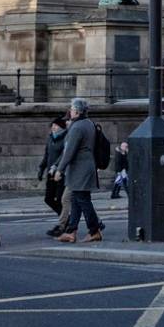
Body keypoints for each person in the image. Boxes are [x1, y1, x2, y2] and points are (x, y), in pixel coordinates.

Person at [56, 99, 106, 243]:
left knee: (83, 200)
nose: (70, 112)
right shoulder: (89, 123)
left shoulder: (77, 127)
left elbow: (70, 151)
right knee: (76, 200)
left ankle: (94, 230)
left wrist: (60, 169)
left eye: (71, 109)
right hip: (86, 166)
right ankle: (71, 231)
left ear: (77, 111)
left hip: (80, 168)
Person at [39, 116, 69, 235]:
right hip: (50, 173)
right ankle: (66, 219)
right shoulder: (50, 138)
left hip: (61, 173)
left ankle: (63, 222)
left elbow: (64, 155)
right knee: (49, 199)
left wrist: (57, 167)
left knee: (60, 198)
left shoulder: (66, 138)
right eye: (52, 126)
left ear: (61, 127)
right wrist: (41, 168)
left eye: (55, 126)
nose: (53, 127)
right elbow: (46, 155)